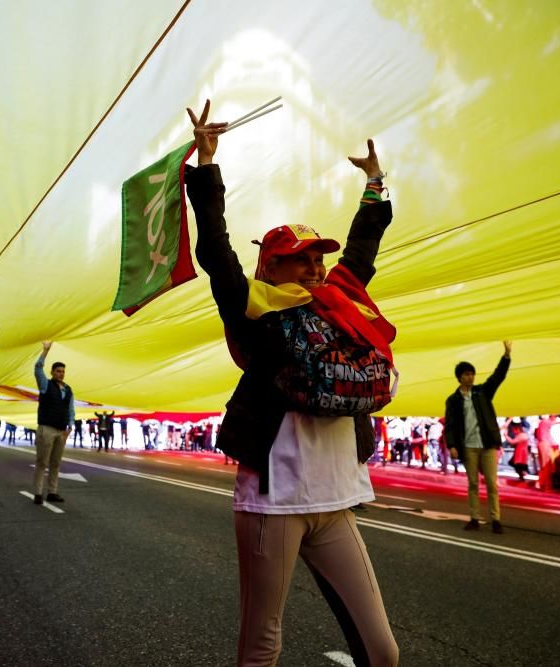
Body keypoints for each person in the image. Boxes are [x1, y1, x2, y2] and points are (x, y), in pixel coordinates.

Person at [185, 100, 399, 666]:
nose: (313, 267)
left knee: (383, 652)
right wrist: (207, 165)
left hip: (336, 502)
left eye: (316, 257)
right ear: (269, 269)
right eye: (297, 259)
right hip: (272, 504)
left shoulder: (342, 302)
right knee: (262, 646)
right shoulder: (254, 311)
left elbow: (363, 247)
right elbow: (215, 250)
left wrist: (375, 183)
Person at [444, 341, 513, 534]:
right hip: (468, 446)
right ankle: (474, 518)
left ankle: (496, 519)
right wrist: (452, 445)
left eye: (472, 373)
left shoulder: (483, 392)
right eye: (467, 374)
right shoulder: (453, 400)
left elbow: (498, 377)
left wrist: (506, 356)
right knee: (473, 483)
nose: (471, 376)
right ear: (460, 377)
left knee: (492, 483)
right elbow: (449, 425)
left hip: (487, 445)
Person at [33, 340, 74, 504]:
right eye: (58, 371)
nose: (61, 374)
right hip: (47, 429)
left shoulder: (68, 389)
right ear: (52, 372)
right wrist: (45, 351)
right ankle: (37, 493)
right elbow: (37, 368)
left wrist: (70, 427)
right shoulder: (45, 385)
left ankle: (52, 492)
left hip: (61, 431)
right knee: (42, 462)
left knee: (55, 463)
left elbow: (70, 409)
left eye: (63, 371)